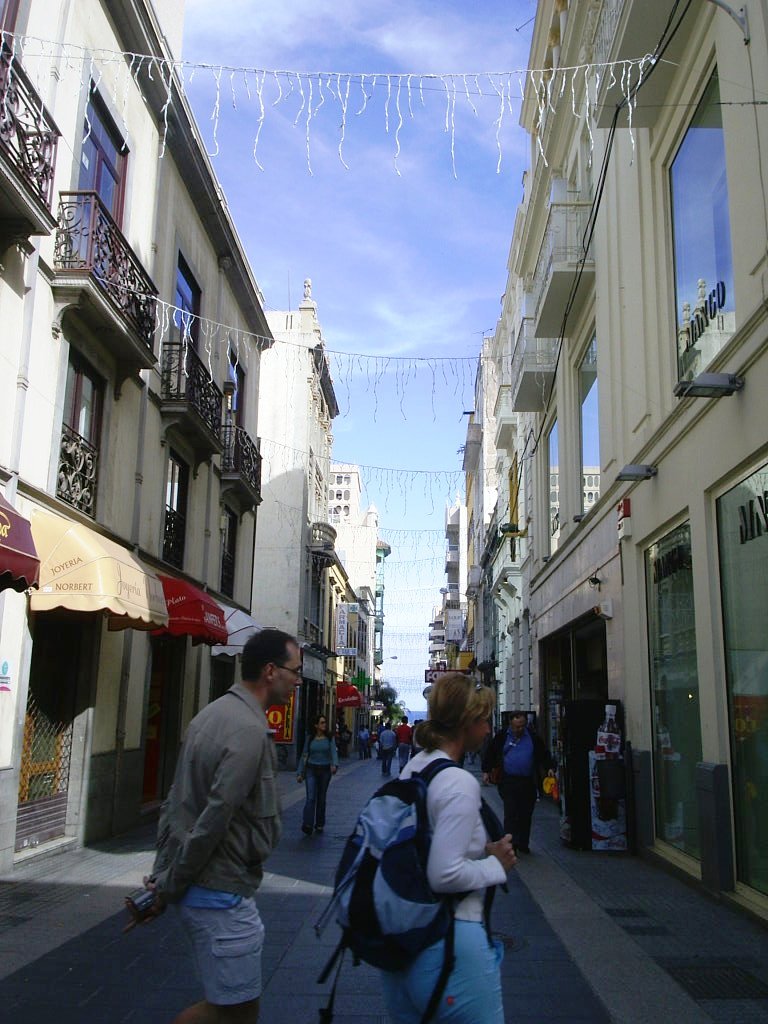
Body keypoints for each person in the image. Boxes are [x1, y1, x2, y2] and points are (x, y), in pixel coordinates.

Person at [145, 627, 300, 1024]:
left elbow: (176, 803)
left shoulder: (211, 715)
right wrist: (170, 883)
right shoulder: (247, 730)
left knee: (235, 1008)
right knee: (234, 1012)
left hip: (209, 889)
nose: (297, 680)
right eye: (293, 671)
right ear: (270, 671)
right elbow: (212, 820)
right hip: (220, 892)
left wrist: (165, 875)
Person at [381, 673, 516, 1024]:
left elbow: (426, 840)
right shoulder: (458, 781)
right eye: (484, 720)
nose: (488, 730)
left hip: (407, 942)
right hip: (453, 940)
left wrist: (475, 846)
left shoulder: (415, 767)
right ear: (467, 722)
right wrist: (495, 865)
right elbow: (444, 874)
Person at [481, 711, 553, 854]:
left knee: (526, 813)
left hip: (528, 781)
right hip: (508, 780)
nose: (519, 729)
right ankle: (511, 844)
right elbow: (491, 752)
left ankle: (523, 843)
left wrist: (550, 767)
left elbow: (543, 753)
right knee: (511, 812)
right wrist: (486, 771)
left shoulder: (533, 737)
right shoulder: (502, 737)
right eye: (516, 727)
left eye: (522, 726)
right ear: (510, 725)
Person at [297, 714, 339, 834]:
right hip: (311, 769)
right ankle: (308, 824)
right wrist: (300, 772)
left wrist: (334, 765)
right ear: (316, 725)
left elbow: (333, 752)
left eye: (325, 722)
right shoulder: (310, 738)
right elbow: (304, 754)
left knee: (321, 797)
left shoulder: (329, 738)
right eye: (322, 722)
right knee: (310, 798)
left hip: (325, 771)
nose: (324, 724)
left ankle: (319, 823)